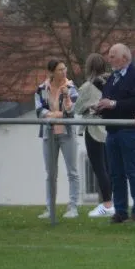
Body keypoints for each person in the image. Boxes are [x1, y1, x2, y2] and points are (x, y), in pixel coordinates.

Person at [94, 43, 135, 224]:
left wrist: (113, 104)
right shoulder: (112, 79)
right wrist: (100, 108)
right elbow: (108, 100)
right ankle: (120, 211)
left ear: (124, 58)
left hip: (129, 131)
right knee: (116, 173)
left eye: (112, 56)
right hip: (112, 131)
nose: (109, 59)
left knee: (133, 172)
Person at [34, 58, 80, 219]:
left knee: (72, 172)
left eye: (64, 68)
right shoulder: (42, 89)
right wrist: (57, 115)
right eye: (60, 69)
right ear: (52, 72)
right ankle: (50, 208)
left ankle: (73, 207)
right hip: (49, 134)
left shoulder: (71, 88)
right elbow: (39, 111)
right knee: (51, 173)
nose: (64, 72)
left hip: (67, 134)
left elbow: (71, 112)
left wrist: (66, 98)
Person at [74, 53, 114, 218]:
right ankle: (113, 203)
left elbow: (77, 108)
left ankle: (107, 204)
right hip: (110, 129)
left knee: (99, 168)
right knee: (110, 168)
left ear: (89, 68)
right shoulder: (112, 83)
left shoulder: (87, 87)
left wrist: (88, 107)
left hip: (94, 130)